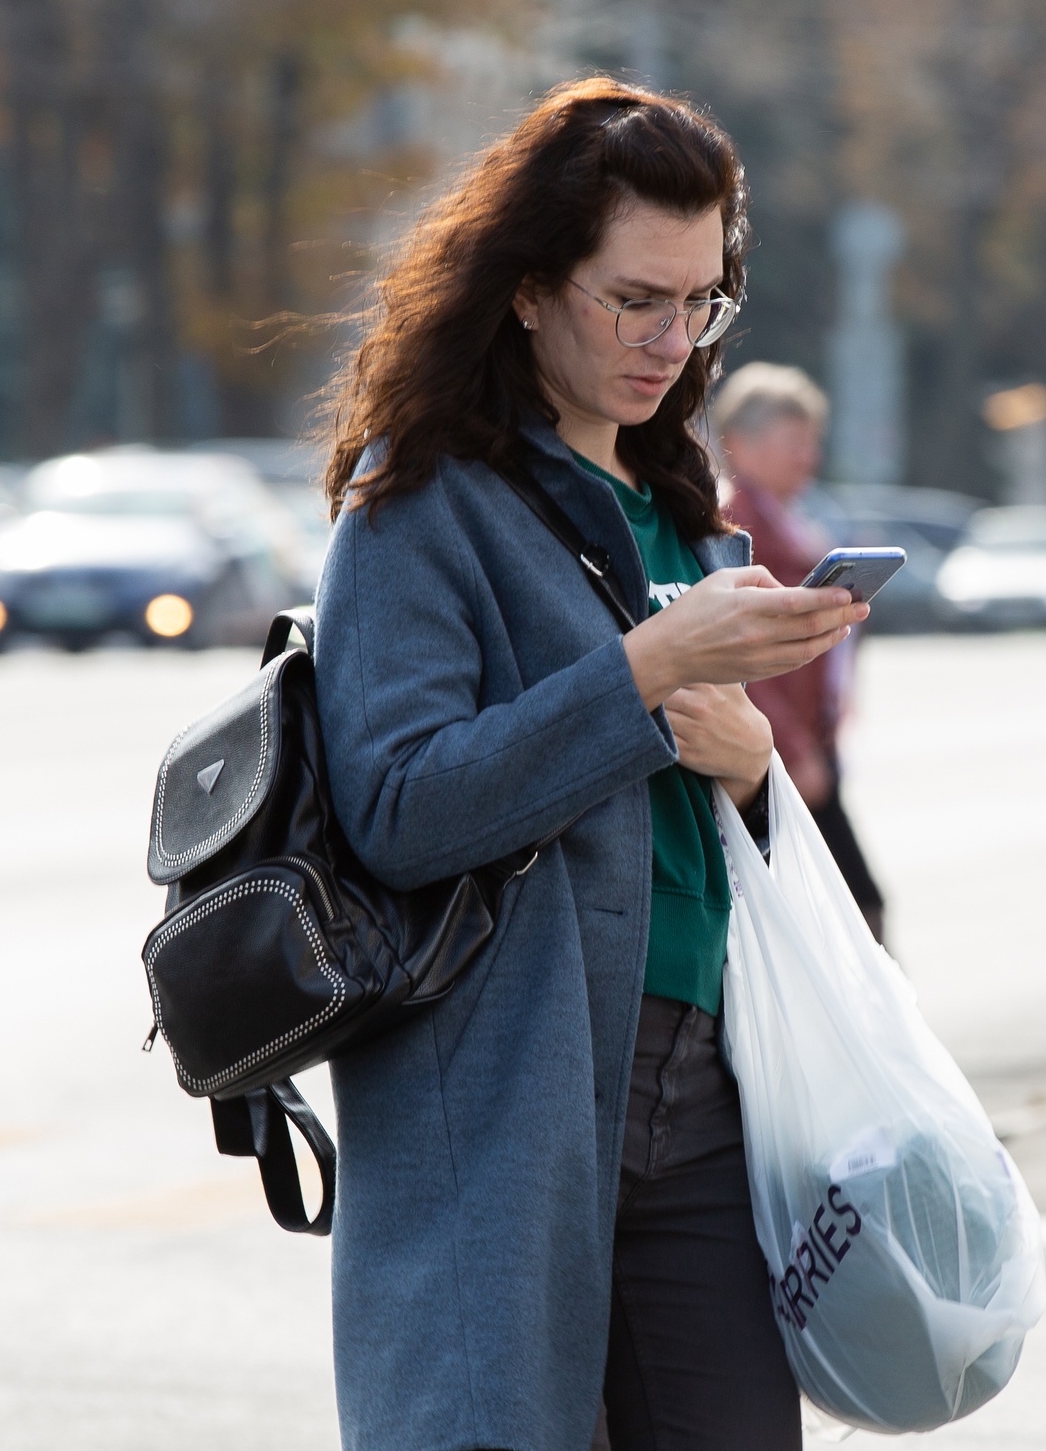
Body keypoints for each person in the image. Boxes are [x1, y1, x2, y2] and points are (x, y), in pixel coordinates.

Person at [312, 79, 866, 1451]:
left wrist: (749, 771)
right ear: (527, 290)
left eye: (701, 303)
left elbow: (719, 833)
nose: (671, 339)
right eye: (635, 300)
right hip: (515, 1089)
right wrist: (652, 672)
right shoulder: (422, 503)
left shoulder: (677, 505)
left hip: (703, 1096)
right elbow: (395, 807)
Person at [711, 362, 890, 943]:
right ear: (741, 444)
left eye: (813, 441)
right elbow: (748, 658)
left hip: (807, 746)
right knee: (853, 909)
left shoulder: (796, 518)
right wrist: (791, 749)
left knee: (834, 910)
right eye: (795, 442)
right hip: (782, 758)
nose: (809, 457)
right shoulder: (736, 525)